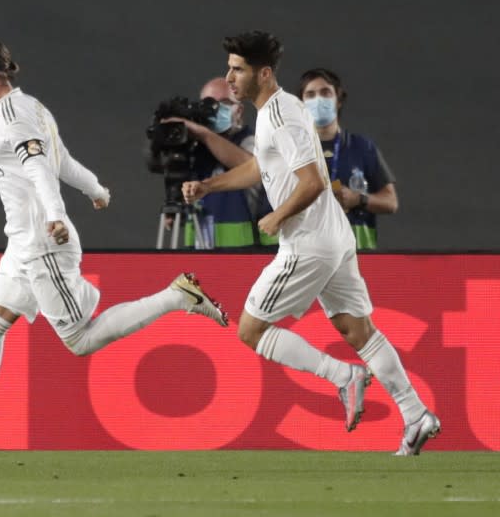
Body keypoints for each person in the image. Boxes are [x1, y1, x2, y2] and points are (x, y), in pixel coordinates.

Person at [0, 37, 228, 451]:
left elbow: (40, 168)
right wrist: (96, 188)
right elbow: (62, 160)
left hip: (42, 243)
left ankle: (176, 297)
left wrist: (56, 216)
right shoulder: (29, 105)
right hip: (22, 245)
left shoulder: (13, 115)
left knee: (81, 340)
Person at [182, 31, 439, 455]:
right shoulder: (275, 112)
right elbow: (260, 168)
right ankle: (416, 415)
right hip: (333, 237)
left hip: (308, 243)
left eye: (237, 69)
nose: (229, 77)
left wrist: (277, 215)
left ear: (263, 73)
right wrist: (210, 186)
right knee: (358, 330)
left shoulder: (280, 115)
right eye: (229, 67)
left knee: (250, 329)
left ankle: (344, 377)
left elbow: (313, 181)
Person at [163, 77, 277, 248]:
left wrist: (203, 133)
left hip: (245, 256)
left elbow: (251, 167)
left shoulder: (254, 141)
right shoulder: (197, 149)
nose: (214, 110)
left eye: (223, 103)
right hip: (199, 255)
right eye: (207, 105)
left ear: (238, 111)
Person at [298, 68, 397, 249]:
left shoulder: (363, 147)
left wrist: (359, 199)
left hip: (358, 258)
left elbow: (391, 202)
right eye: (310, 95)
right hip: (307, 257)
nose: (318, 100)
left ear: (339, 100)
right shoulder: (293, 150)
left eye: (325, 92)